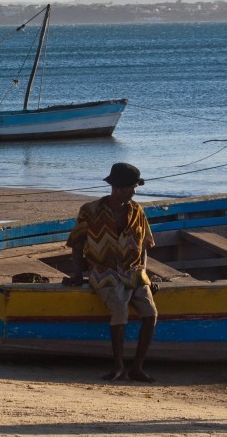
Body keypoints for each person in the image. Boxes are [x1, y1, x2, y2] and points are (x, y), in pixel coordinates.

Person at [65, 162, 157, 382]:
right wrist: (78, 275)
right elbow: (77, 244)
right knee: (119, 308)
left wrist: (144, 273)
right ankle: (118, 366)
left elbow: (144, 245)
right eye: (132, 187)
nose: (135, 191)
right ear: (118, 189)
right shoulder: (90, 211)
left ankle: (137, 367)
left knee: (151, 314)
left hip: (134, 271)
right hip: (103, 271)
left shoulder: (137, 210)